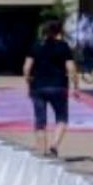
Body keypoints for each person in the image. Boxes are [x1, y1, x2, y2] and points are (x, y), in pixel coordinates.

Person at [23, 19, 79, 158]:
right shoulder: (63, 46)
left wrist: (28, 83)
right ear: (59, 31)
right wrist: (76, 86)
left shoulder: (36, 46)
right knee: (61, 118)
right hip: (58, 86)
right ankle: (53, 146)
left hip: (38, 87)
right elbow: (71, 68)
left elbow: (26, 68)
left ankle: (42, 153)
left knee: (40, 121)